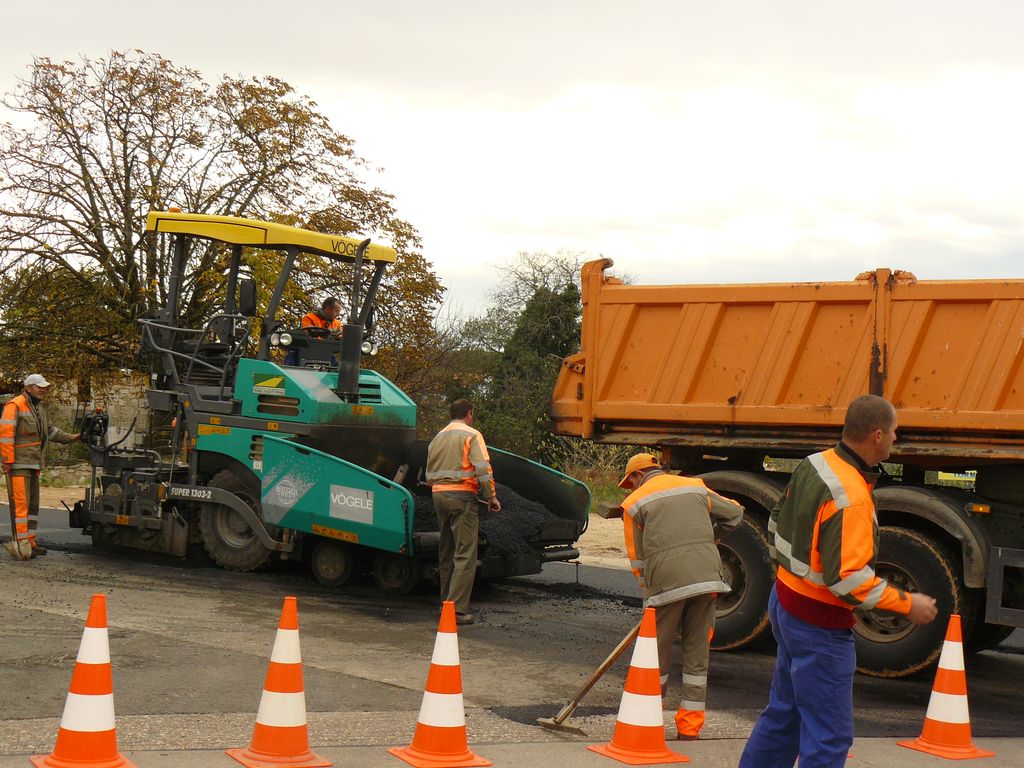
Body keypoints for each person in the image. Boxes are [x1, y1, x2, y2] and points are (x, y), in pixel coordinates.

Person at [738, 395, 938, 768]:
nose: (897, 438)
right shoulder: (853, 499)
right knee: (829, 737)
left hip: (786, 604)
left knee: (785, 714)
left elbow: (776, 523)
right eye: (894, 432)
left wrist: (794, 576)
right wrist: (908, 603)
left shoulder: (815, 464)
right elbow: (847, 580)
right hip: (819, 626)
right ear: (877, 436)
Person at [618, 452, 744, 740]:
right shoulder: (695, 486)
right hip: (707, 578)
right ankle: (689, 727)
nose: (631, 488)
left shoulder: (634, 503)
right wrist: (713, 536)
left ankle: (650, 719)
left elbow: (638, 561)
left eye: (630, 482)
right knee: (697, 657)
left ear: (638, 475)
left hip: (666, 585)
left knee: (656, 656)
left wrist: (648, 594)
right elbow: (736, 513)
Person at [425, 399, 500, 625]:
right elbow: (482, 468)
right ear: (469, 414)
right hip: (461, 498)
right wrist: (490, 495)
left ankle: (445, 603)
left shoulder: (438, 436)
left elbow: (430, 468)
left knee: (446, 551)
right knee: (465, 553)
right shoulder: (471, 434)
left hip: (438, 495)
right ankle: (456, 611)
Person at [1, 374, 81, 557]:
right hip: (19, 465)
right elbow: (5, 435)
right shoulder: (15, 405)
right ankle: (22, 546)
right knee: (21, 506)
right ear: (28, 388)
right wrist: (6, 461)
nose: (43, 389)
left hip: (34, 464)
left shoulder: (39, 409)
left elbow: (51, 432)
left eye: (45, 386)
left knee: (33, 506)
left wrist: (74, 438)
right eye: (39, 386)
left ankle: (30, 541)